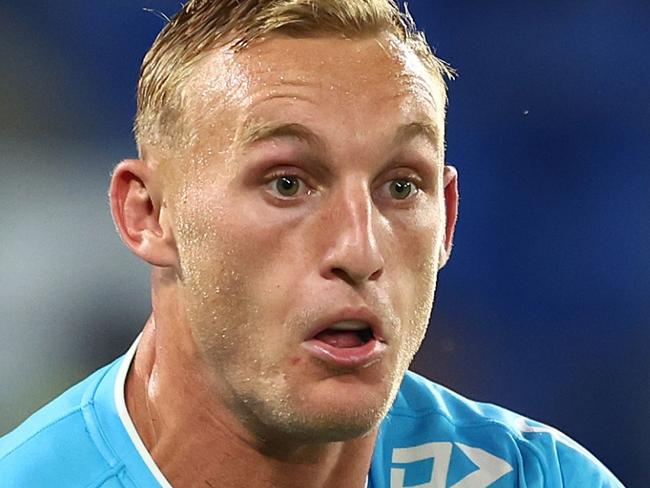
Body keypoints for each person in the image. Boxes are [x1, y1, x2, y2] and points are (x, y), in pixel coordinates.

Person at [0, 1, 623, 487]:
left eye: (401, 186)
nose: (359, 250)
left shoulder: (536, 476)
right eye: (288, 183)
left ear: (450, 220)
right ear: (148, 214)